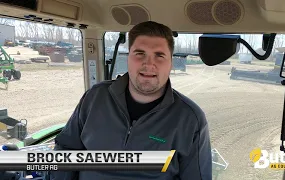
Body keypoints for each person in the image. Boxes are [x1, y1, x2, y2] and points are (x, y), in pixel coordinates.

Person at [51, 21, 212, 180]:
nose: (149, 64)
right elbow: (66, 149)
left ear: (170, 63)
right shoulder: (94, 98)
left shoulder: (191, 120)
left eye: (159, 55)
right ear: (128, 59)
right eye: (140, 53)